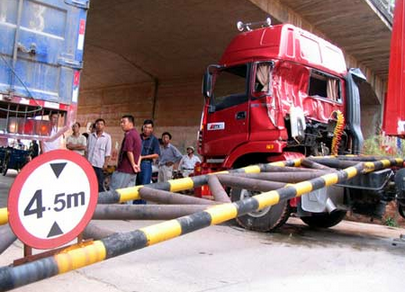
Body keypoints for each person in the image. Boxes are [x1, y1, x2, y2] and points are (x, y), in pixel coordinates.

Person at [110, 115, 142, 195]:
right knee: (128, 195)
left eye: (124, 122)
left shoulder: (130, 134)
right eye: (121, 122)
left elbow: (129, 151)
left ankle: (112, 208)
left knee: (115, 192)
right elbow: (139, 154)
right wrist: (136, 165)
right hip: (132, 171)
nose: (121, 124)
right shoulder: (136, 134)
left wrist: (133, 164)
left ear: (131, 123)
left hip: (125, 169)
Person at [135, 119, 161, 204]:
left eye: (149, 128)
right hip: (135, 164)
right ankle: (134, 208)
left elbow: (156, 155)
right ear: (143, 127)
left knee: (144, 187)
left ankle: (141, 209)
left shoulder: (154, 140)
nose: (147, 129)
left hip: (146, 165)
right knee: (135, 187)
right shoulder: (138, 137)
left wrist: (143, 157)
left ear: (152, 129)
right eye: (145, 127)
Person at [87, 118, 112, 192]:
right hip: (90, 163)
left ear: (104, 126)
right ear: (95, 125)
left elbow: (108, 151)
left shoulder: (107, 137)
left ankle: (101, 201)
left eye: (101, 124)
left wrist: (106, 164)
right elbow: (87, 149)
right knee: (90, 182)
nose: (99, 126)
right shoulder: (91, 136)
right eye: (98, 124)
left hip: (99, 164)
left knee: (99, 183)